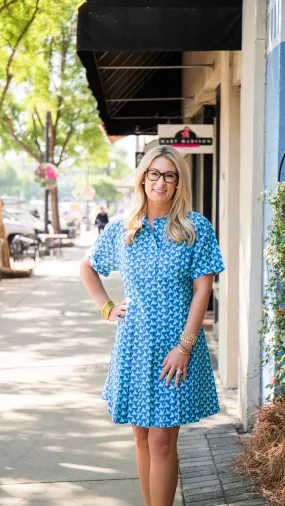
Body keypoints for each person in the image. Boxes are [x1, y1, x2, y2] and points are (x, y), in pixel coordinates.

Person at [80, 146, 225, 506]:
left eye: (170, 175)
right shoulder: (123, 229)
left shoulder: (195, 228)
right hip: (135, 346)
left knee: (162, 441)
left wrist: (185, 347)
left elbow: (202, 290)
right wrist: (108, 308)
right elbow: (88, 266)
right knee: (142, 439)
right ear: (143, 177)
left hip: (176, 347)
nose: (161, 182)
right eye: (154, 174)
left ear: (178, 183)